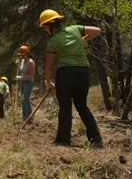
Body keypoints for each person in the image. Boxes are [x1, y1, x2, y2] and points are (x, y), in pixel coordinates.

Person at [40, 9, 104, 148]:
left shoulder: (53, 41)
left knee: (65, 107)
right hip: (83, 71)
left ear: (50, 25)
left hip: (66, 73)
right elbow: (97, 30)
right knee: (82, 106)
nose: (44, 30)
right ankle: (96, 139)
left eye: (44, 27)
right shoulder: (75, 29)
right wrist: (84, 39)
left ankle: (63, 140)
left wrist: (48, 82)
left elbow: (49, 67)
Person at [15, 45, 36, 122]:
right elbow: (21, 71)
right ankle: (27, 118)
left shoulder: (31, 62)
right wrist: (18, 65)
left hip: (29, 83)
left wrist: (20, 78)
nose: (21, 57)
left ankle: (28, 118)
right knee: (24, 100)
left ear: (27, 54)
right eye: (20, 55)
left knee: (25, 99)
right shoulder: (23, 61)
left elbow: (31, 76)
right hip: (23, 83)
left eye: (22, 55)